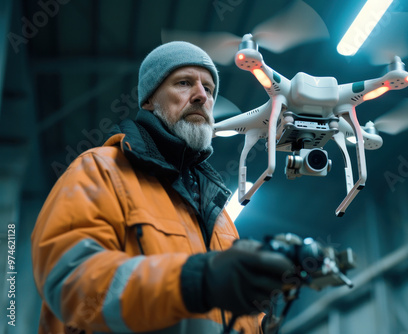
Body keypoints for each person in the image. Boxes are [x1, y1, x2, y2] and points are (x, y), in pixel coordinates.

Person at [31, 41, 295, 334]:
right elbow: (70, 281)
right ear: (148, 100)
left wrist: (260, 323)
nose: (200, 96)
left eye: (208, 89)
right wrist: (194, 281)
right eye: (184, 83)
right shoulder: (100, 170)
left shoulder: (219, 213)